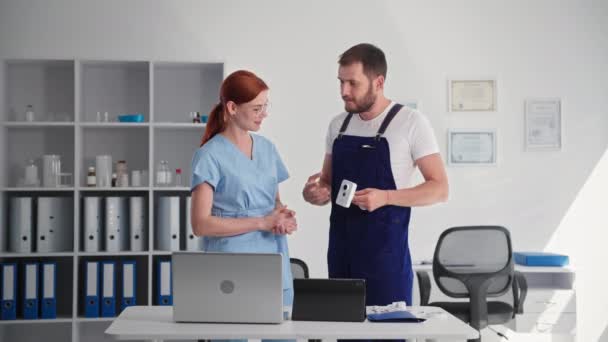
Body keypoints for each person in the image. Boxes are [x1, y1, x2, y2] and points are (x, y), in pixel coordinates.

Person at [302, 43, 449, 310]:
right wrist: (315, 192)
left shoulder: (411, 123)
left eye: (352, 83)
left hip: (386, 263)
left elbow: (439, 189)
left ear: (378, 82)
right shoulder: (339, 125)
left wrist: (386, 197)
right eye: (341, 82)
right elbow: (326, 182)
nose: (344, 91)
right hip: (341, 258)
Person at [190, 70, 297, 338]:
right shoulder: (209, 155)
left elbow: (274, 202)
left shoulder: (268, 149)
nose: (264, 114)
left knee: (281, 335)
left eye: (265, 107)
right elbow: (200, 224)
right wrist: (261, 222)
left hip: (272, 260)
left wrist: (282, 216)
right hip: (230, 266)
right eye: (257, 108)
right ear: (232, 108)